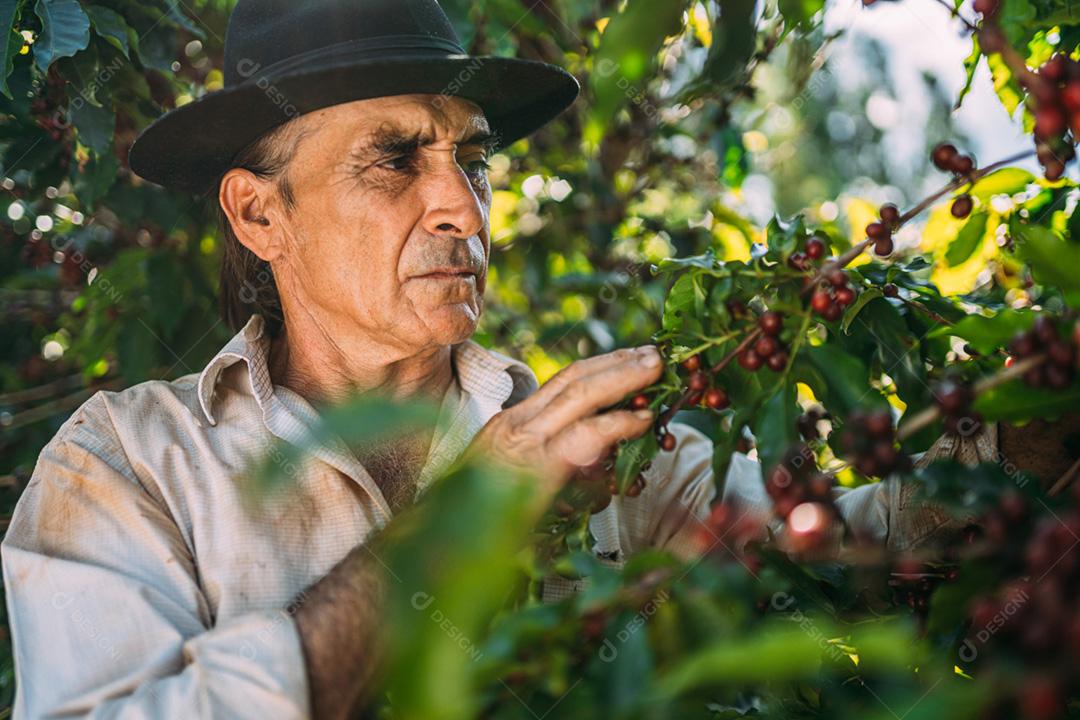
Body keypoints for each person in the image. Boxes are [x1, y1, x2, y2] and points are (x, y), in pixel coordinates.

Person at [1, 1, 934, 717]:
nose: (464, 207)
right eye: (397, 159)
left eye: (473, 159)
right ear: (259, 215)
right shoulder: (127, 465)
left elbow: (856, 542)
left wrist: (1021, 449)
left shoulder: (599, 453)